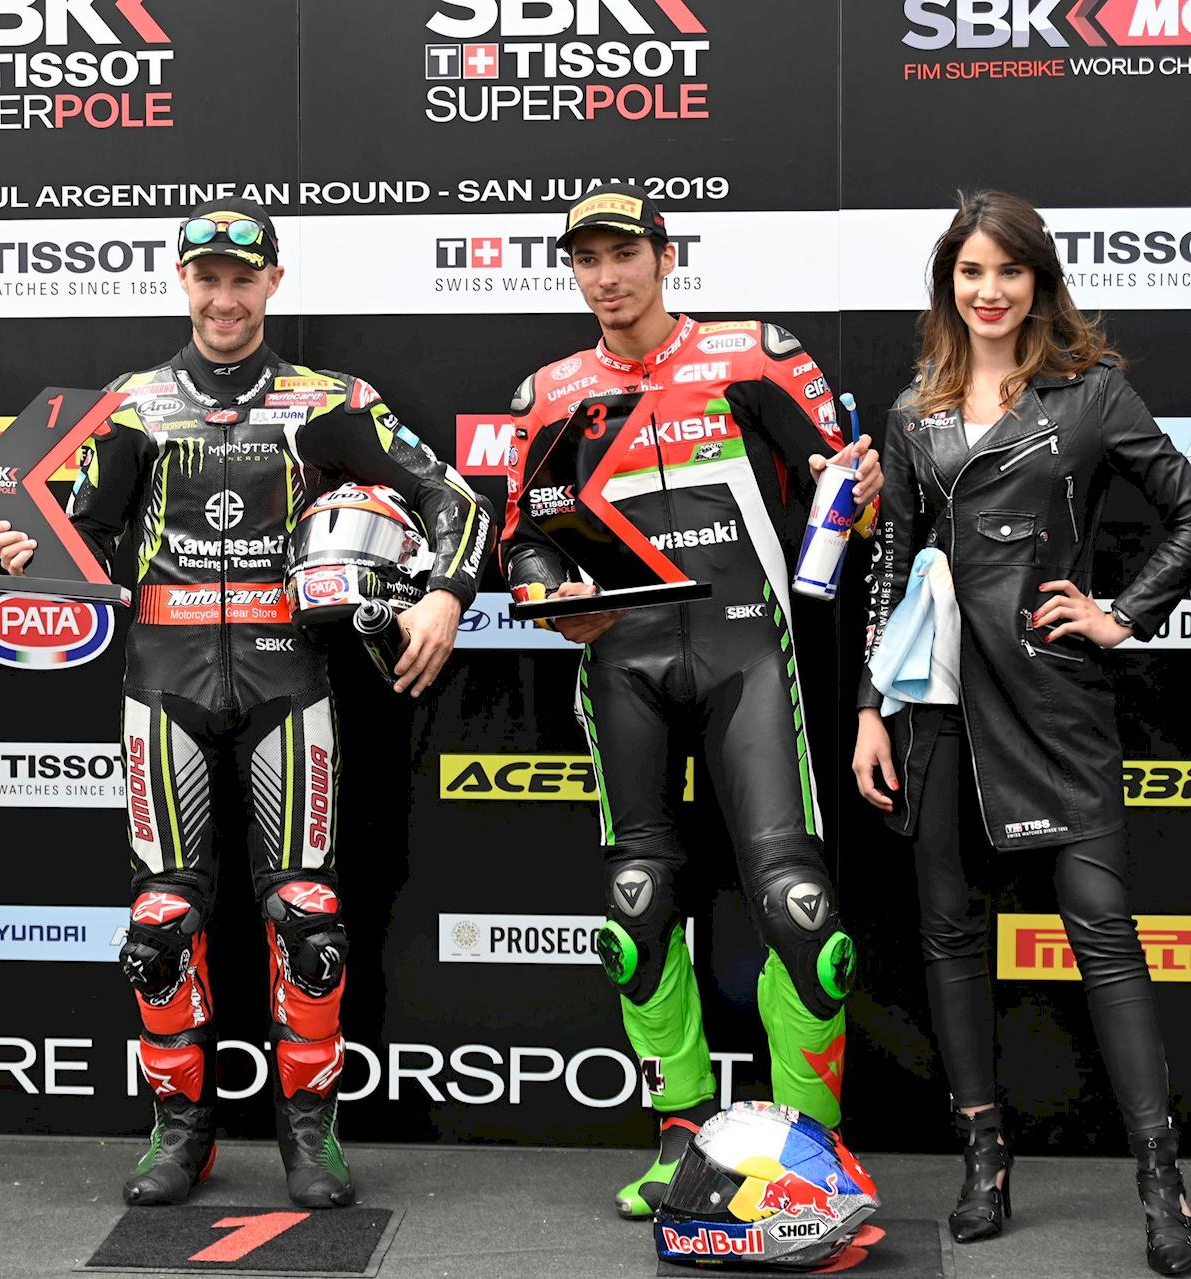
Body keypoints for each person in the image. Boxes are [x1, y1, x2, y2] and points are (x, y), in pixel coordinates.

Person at [0, 199, 492, 1209]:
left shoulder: (328, 400)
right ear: (182, 281)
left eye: (243, 275)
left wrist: (446, 592)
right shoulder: (129, 404)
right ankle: (181, 1132)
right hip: (162, 678)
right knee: (162, 918)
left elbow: (459, 503)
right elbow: (66, 535)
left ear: (273, 282)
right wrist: (17, 551)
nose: (225, 296)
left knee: (306, 916)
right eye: (207, 276)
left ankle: (310, 1135)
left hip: (288, 679)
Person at [496, 187, 883, 1218]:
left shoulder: (753, 353)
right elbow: (522, 533)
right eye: (586, 260)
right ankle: (679, 1135)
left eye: (623, 254)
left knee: (803, 913)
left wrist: (855, 482)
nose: (606, 277)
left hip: (752, 650)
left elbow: (838, 481)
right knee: (636, 907)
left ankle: (810, 1149)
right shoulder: (554, 390)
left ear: (665, 257)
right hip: (618, 662)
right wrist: (550, 590)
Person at [852, 190, 1191, 1274]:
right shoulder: (915, 412)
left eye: (1008, 272)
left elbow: (1187, 507)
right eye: (970, 274)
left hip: (1056, 699)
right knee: (951, 933)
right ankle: (982, 1158)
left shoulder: (1091, 396)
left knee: (1103, 929)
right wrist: (872, 704)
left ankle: (1161, 1178)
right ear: (948, 287)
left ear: (1039, 282)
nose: (989, 292)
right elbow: (892, 562)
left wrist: (1122, 611)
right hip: (940, 703)